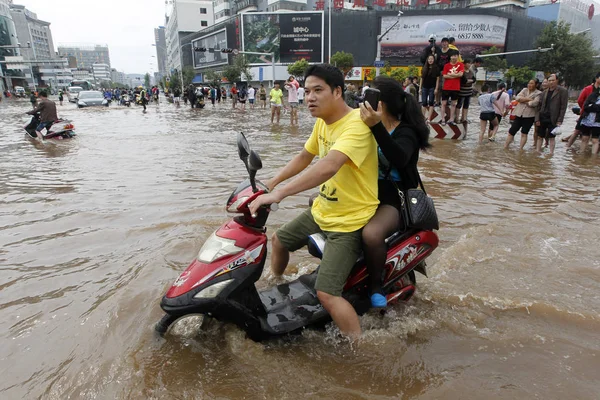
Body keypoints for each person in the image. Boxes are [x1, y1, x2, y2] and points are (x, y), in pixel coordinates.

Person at [248, 64, 378, 339]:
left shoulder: (357, 126)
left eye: (318, 90)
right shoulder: (323, 122)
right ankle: (278, 283)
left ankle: (360, 347)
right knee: (279, 240)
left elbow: (328, 166)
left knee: (327, 293)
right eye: (306, 91)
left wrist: (280, 194)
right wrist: (270, 183)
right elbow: (304, 157)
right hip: (324, 208)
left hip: (349, 220)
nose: (310, 97)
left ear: (338, 91)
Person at [358, 76, 431, 308]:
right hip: (364, 190)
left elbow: (399, 157)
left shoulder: (406, 131)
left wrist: (375, 126)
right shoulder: (364, 125)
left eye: (371, 96)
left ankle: (376, 285)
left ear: (383, 102)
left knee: (371, 234)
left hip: (394, 196)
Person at [535, 74, 568, 155]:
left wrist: (560, 120)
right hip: (543, 116)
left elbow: (563, 107)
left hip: (553, 117)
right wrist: (537, 119)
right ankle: (537, 151)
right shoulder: (544, 92)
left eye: (553, 80)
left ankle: (551, 153)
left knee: (552, 137)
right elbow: (538, 107)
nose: (551, 82)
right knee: (540, 136)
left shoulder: (562, 91)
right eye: (549, 80)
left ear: (557, 81)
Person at [504, 79, 542, 150]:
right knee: (511, 131)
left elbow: (534, 103)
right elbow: (517, 98)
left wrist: (524, 100)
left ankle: (520, 149)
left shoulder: (539, 93)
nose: (529, 85)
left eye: (532, 83)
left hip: (529, 116)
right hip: (519, 114)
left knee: (524, 133)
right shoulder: (524, 90)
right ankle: (505, 147)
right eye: (529, 83)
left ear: (536, 85)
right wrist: (529, 99)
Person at [565, 73, 600, 148]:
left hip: (597, 116)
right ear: (596, 78)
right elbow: (580, 100)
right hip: (586, 114)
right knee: (577, 131)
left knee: (594, 137)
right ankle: (568, 146)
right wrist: (584, 109)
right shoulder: (588, 89)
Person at [440, 52, 464, 126]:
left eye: (455, 56)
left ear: (458, 56)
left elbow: (461, 75)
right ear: (450, 57)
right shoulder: (446, 65)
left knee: (453, 104)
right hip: (446, 87)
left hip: (455, 88)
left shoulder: (460, 65)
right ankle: (443, 119)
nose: (454, 57)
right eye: (452, 56)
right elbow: (444, 76)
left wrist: (451, 75)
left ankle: (451, 119)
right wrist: (456, 76)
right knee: (444, 104)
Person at [578, 85, 600, 154]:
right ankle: (581, 154)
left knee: (595, 140)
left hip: (597, 121)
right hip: (587, 119)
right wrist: (596, 107)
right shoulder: (592, 95)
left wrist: (593, 106)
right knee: (584, 138)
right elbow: (585, 106)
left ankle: (593, 158)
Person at [420, 54, 440, 121]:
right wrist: (420, 88)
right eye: (429, 59)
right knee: (424, 103)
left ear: (434, 60)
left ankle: (429, 118)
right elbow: (422, 78)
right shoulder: (424, 68)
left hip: (432, 87)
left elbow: (437, 79)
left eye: (432, 59)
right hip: (424, 87)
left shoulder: (436, 68)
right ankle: (423, 118)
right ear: (427, 60)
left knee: (431, 102)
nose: (430, 60)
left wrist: (436, 88)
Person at [456, 59, 475, 123]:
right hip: (461, 91)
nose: (469, 65)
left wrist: (469, 81)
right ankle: (457, 118)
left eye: (470, 63)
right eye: (468, 63)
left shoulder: (471, 72)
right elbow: (463, 81)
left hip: (469, 91)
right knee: (459, 104)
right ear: (464, 64)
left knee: (466, 105)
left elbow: (474, 80)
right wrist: (469, 81)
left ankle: (464, 118)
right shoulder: (462, 71)